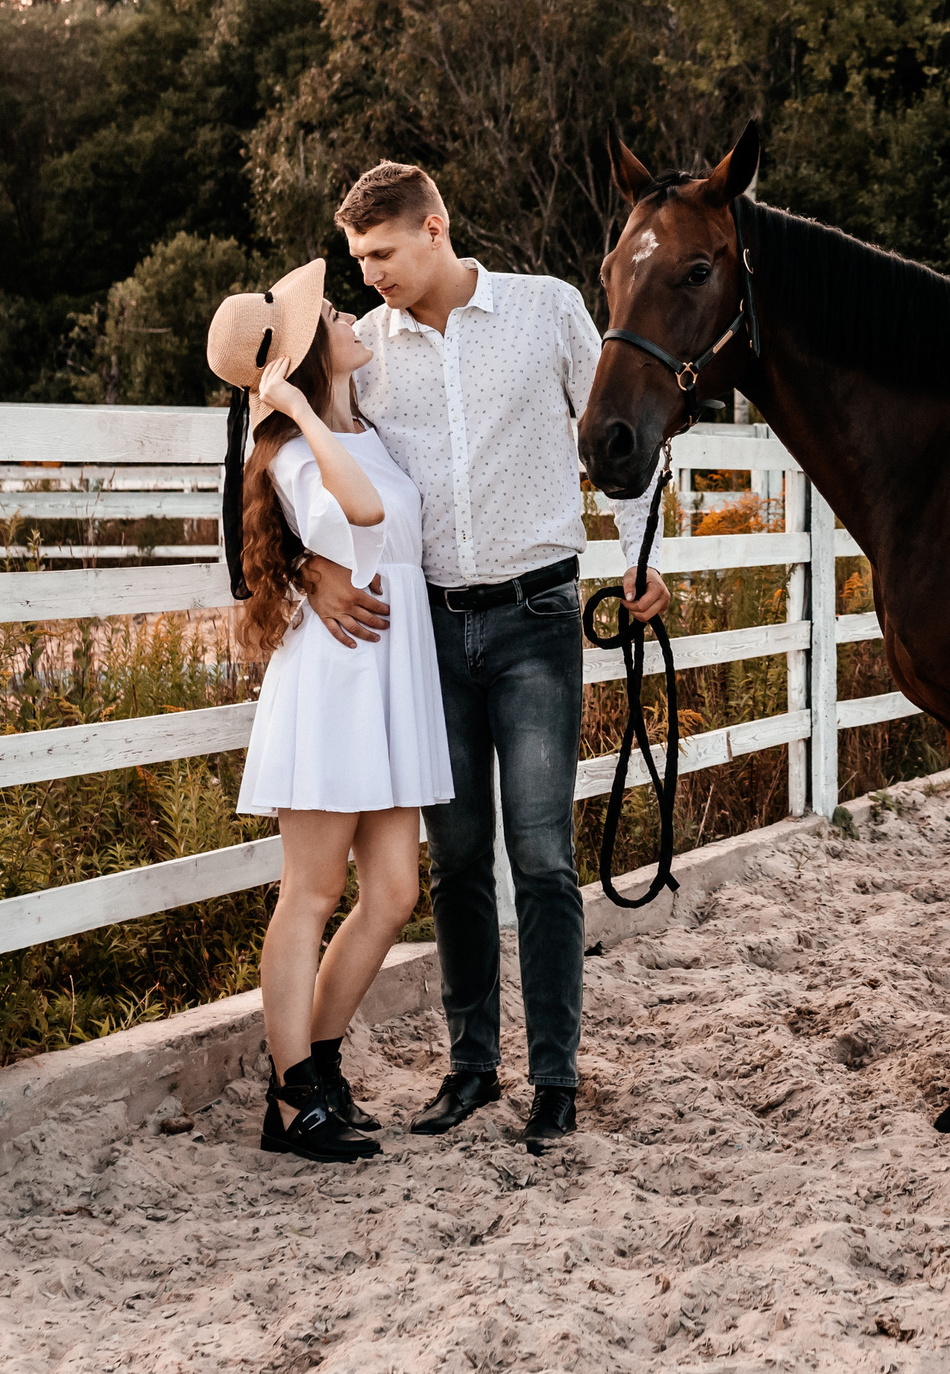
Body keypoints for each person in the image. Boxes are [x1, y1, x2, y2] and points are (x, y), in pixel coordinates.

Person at [301, 161, 668, 1151]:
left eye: (380, 253)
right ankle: (471, 1071)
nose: (369, 273)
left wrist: (641, 557)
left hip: (535, 618)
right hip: (428, 631)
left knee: (541, 856)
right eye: (358, 259)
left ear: (433, 228)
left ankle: (554, 1081)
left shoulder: (545, 311)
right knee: (458, 858)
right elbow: (279, 457)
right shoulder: (363, 352)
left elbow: (618, 437)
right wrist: (307, 572)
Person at [207, 259, 451, 1163]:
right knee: (310, 892)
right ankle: (292, 1095)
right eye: (334, 314)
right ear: (308, 360)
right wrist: (302, 412)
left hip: (387, 678)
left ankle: (320, 1066)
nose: (350, 314)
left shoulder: (368, 427)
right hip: (335, 684)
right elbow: (360, 508)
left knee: (391, 893)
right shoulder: (298, 448)